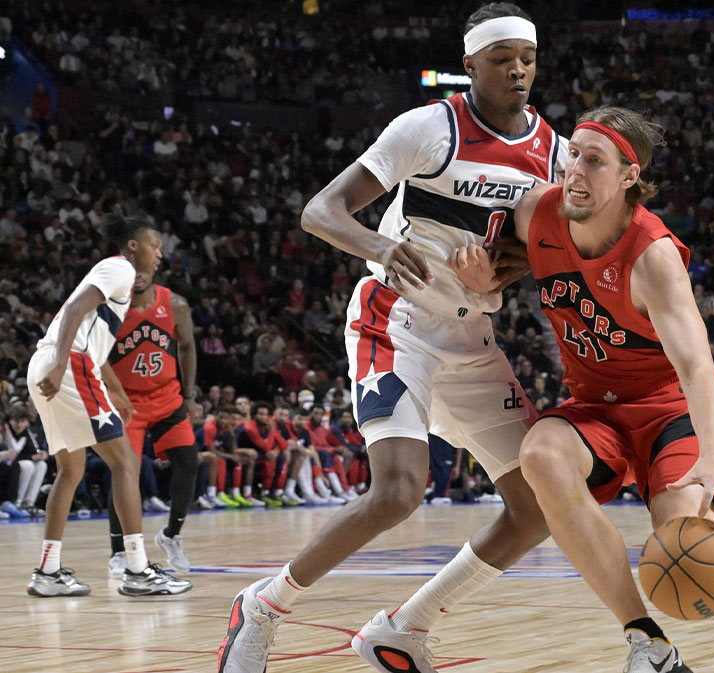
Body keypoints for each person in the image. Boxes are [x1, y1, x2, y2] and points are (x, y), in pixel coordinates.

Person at [452, 106, 714, 673]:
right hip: (594, 408)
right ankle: (647, 642)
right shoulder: (537, 213)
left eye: (593, 162)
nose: (574, 170)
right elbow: (505, 265)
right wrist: (484, 287)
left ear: (628, 176)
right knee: (540, 456)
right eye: (572, 154)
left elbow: (697, 367)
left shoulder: (653, 256)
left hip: (668, 410)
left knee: (684, 540)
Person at [220, 5, 563, 673]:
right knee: (399, 490)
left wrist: (509, 267)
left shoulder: (552, 151)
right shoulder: (428, 127)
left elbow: (529, 257)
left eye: (527, 56)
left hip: (471, 336)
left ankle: (404, 629)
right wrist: (380, 244)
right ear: (470, 66)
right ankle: (261, 605)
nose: (518, 68)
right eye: (502, 58)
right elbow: (321, 210)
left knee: (539, 505)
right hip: (393, 321)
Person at [24, 213, 190, 597]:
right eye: (155, 245)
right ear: (133, 245)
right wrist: (64, 361)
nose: (159, 254)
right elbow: (77, 308)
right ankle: (137, 569)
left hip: (53, 364)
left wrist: (117, 392)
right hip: (67, 363)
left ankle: (47, 572)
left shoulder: (117, 280)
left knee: (70, 470)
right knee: (126, 462)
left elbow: (96, 345)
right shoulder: (119, 268)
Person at [105, 276, 201, 575]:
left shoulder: (175, 304)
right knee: (125, 470)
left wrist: (189, 394)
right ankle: (119, 551)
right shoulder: (109, 307)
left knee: (188, 461)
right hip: (126, 402)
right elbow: (95, 356)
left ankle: (171, 534)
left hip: (166, 397)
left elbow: (187, 347)